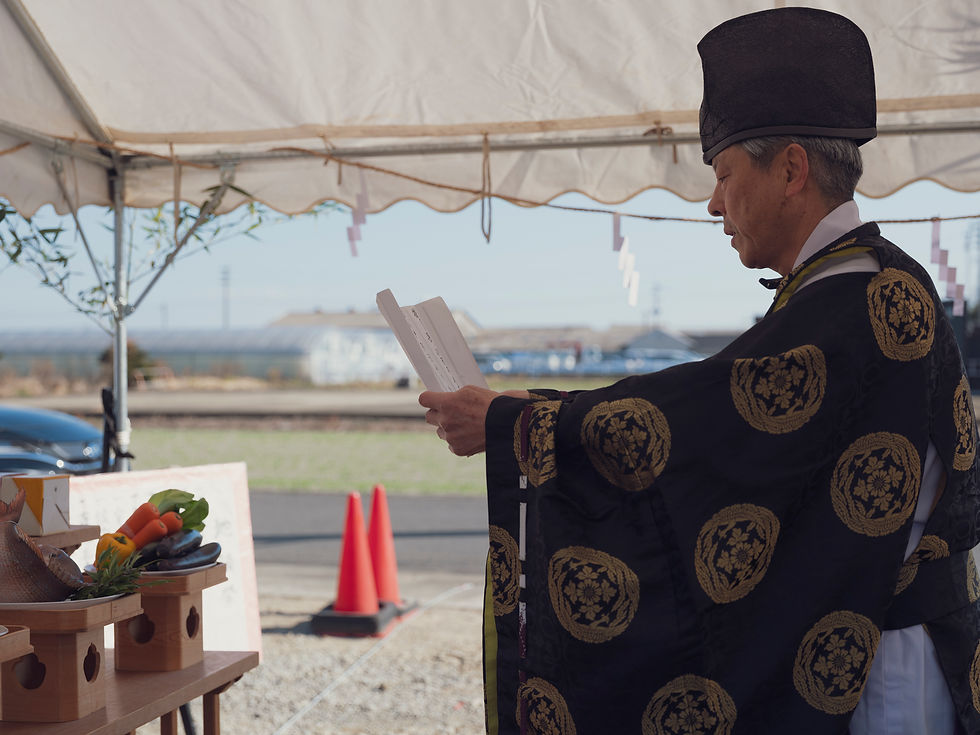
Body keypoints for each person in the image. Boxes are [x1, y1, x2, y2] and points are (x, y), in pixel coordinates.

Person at [420, 8, 980, 734]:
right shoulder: (845, 290)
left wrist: (518, 420)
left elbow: (705, 420)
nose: (714, 203)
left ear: (789, 169)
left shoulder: (865, 296)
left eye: (721, 175)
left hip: (881, 679)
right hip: (864, 652)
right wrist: (535, 404)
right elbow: (719, 396)